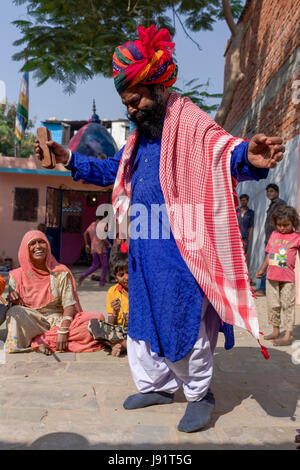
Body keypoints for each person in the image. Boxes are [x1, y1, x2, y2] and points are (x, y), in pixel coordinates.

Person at [35, 25, 285, 433]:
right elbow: (112, 172)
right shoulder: (138, 141)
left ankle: (200, 394)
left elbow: (223, 151)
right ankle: (157, 385)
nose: (131, 110)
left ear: (156, 86)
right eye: (126, 104)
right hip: (143, 247)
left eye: (135, 101)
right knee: (144, 322)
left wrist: (251, 158)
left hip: (182, 250)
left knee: (181, 320)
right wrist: (68, 158)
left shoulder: (189, 123)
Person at [5, 230, 105, 355]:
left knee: (97, 318)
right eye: (32, 243)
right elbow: (17, 314)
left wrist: (63, 331)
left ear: (47, 245)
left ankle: (38, 341)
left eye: (42, 242)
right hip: (33, 322)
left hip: (59, 322)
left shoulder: (61, 272)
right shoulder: (16, 276)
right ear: (25, 249)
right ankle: (48, 340)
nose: (38, 247)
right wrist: (13, 301)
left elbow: (69, 305)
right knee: (14, 312)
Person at [256, 206, 300, 346]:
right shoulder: (274, 235)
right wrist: (262, 270)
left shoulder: (296, 237)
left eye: (286, 225)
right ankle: (275, 330)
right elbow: (269, 254)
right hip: (271, 277)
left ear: (293, 222)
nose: (282, 228)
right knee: (273, 305)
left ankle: (287, 335)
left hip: (287, 278)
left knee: (288, 305)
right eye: (279, 225)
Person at [89, 253, 129, 357]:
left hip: (135, 331)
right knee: (93, 324)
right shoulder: (113, 291)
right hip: (119, 331)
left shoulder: (140, 290)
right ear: (116, 277)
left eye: (129, 273)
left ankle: (119, 345)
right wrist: (115, 312)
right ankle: (121, 344)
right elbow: (111, 323)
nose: (126, 277)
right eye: (121, 275)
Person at [255, 183, 286, 296]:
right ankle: (273, 290)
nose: (269, 193)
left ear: (277, 192)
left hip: (276, 239)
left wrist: (278, 237)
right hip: (270, 239)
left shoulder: (280, 204)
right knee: (274, 263)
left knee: (272, 263)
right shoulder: (272, 205)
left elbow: (282, 221)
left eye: (271, 191)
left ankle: (263, 289)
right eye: (268, 191)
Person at [79, 213, 112, 287]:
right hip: (101, 248)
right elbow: (103, 238)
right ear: (103, 217)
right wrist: (109, 244)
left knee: (95, 265)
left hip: (93, 248)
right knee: (104, 265)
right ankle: (102, 283)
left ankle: (83, 275)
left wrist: (87, 245)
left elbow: (85, 234)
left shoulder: (92, 224)